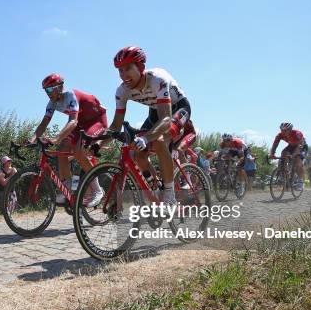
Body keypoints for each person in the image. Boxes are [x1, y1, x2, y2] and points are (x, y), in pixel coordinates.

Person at [109, 46, 191, 204]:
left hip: (177, 108)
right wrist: (96, 144)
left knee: (159, 141)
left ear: (140, 67)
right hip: (155, 112)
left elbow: (166, 119)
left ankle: (169, 195)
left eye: (128, 69)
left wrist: (146, 138)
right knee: (138, 152)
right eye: (120, 70)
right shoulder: (122, 91)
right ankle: (157, 186)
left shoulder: (157, 79)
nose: (123, 75)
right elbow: (115, 126)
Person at [29, 73, 108, 207]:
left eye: (50, 89)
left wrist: (56, 138)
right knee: (61, 150)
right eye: (45, 90)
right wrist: (31, 139)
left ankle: (97, 190)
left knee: (78, 150)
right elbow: (43, 124)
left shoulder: (70, 96)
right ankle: (69, 185)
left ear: (60, 87)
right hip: (80, 123)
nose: (48, 93)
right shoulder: (52, 102)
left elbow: (73, 121)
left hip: (96, 120)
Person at [269, 122, 307, 190]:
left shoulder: (297, 133)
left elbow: (299, 146)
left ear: (290, 130)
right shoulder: (279, 135)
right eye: (281, 130)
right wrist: (272, 154)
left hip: (301, 147)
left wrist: (293, 155)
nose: (283, 132)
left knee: (298, 162)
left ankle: (301, 182)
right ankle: (282, 173)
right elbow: (275, 145)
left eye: (285, 130)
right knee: (283, 153)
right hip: (291, 146)